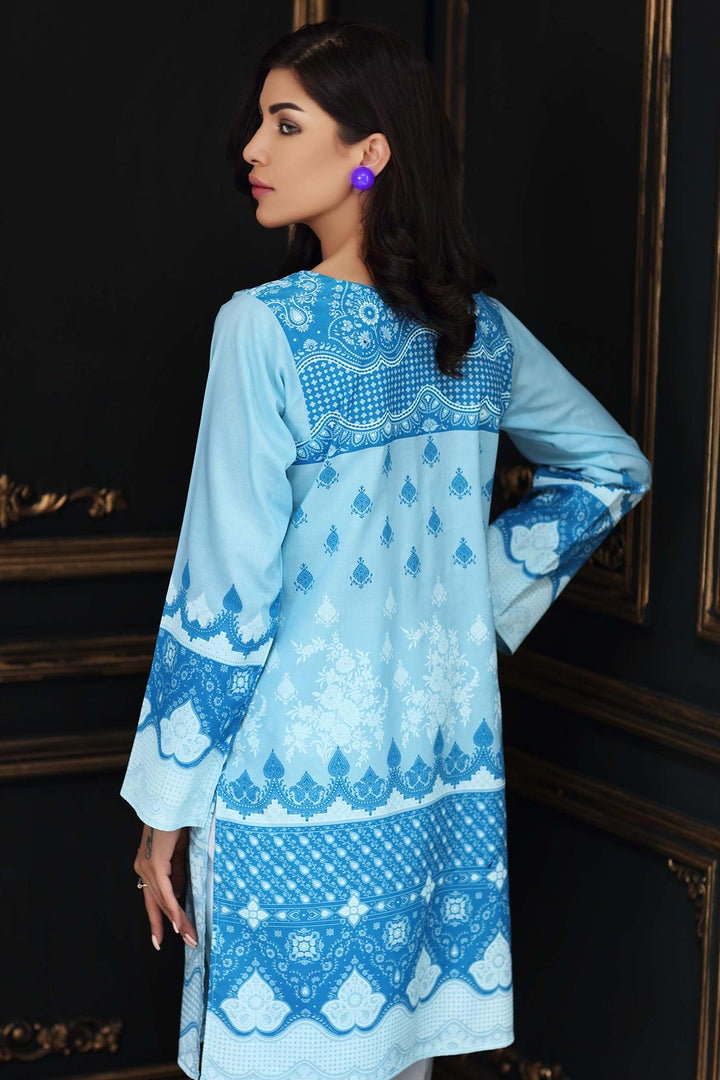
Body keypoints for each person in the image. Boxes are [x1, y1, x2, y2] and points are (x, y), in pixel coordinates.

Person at [120, 19, 652, 1080]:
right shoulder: (478, 331)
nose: (251, 151)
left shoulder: (264, 329)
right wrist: (466, 604)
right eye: (258, 126)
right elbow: (612, 468)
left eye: (285, 125)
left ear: (371, 151)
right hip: (435, 781)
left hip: (289, 787)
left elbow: (226, 592)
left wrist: (162, 810)